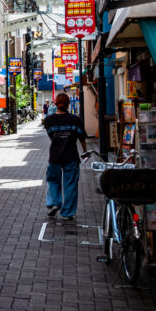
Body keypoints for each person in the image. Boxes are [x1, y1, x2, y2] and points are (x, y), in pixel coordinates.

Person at [42, 92, 88, 221]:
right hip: (71, 156)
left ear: (55, 104)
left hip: (55, 156)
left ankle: (54, 203)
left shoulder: (49, 120)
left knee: (53, 181)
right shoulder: (74, 119)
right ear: (68, 104)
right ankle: (67, 213)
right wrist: (84, 151)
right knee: (70, 184)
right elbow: (82, 137)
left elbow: (51, 136)